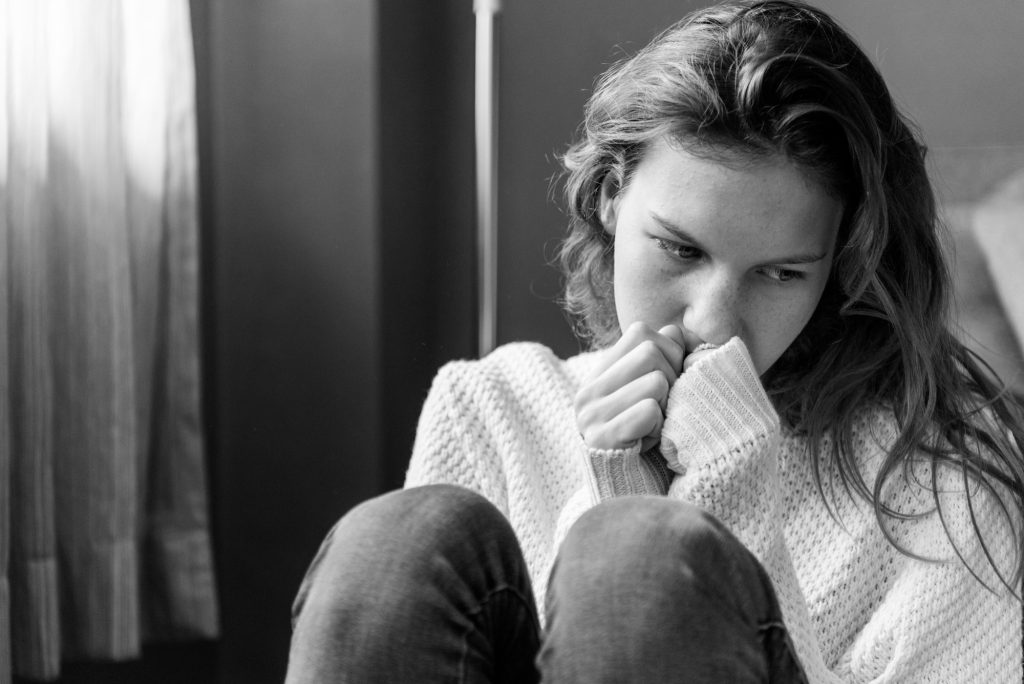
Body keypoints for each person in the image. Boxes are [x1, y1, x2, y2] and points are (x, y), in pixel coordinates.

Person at [285, 1, 1024, 681]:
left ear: (840, 268)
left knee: (640, 560)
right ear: (611, 198)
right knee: (402, 537)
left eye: (779, 274)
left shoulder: (935, 476)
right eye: (681, 250)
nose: (712, 322)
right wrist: (607, 492)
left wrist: (724, 508)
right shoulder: (492, 406)